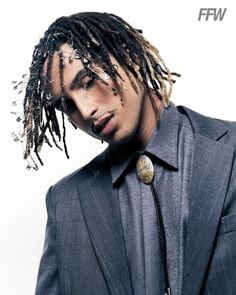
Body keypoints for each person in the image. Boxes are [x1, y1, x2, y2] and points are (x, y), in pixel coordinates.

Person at [16, 12, 236, 295]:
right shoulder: (65, 203)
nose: (85, 110)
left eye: (88, 80)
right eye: (67, 105)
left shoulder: (229, 150)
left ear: (129, 54)